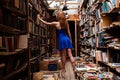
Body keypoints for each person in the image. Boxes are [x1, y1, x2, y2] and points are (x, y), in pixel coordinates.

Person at [39, 11, 75, 76]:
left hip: (61, 40)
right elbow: (69, 32)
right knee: (70, 55)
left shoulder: (56, 23)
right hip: (67, 39)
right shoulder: (66, 22)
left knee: (63, 56)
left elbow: (47, 23)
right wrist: (71, 40)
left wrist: (40, 19)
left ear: (59, 16)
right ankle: (74, 68)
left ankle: (63, 70)